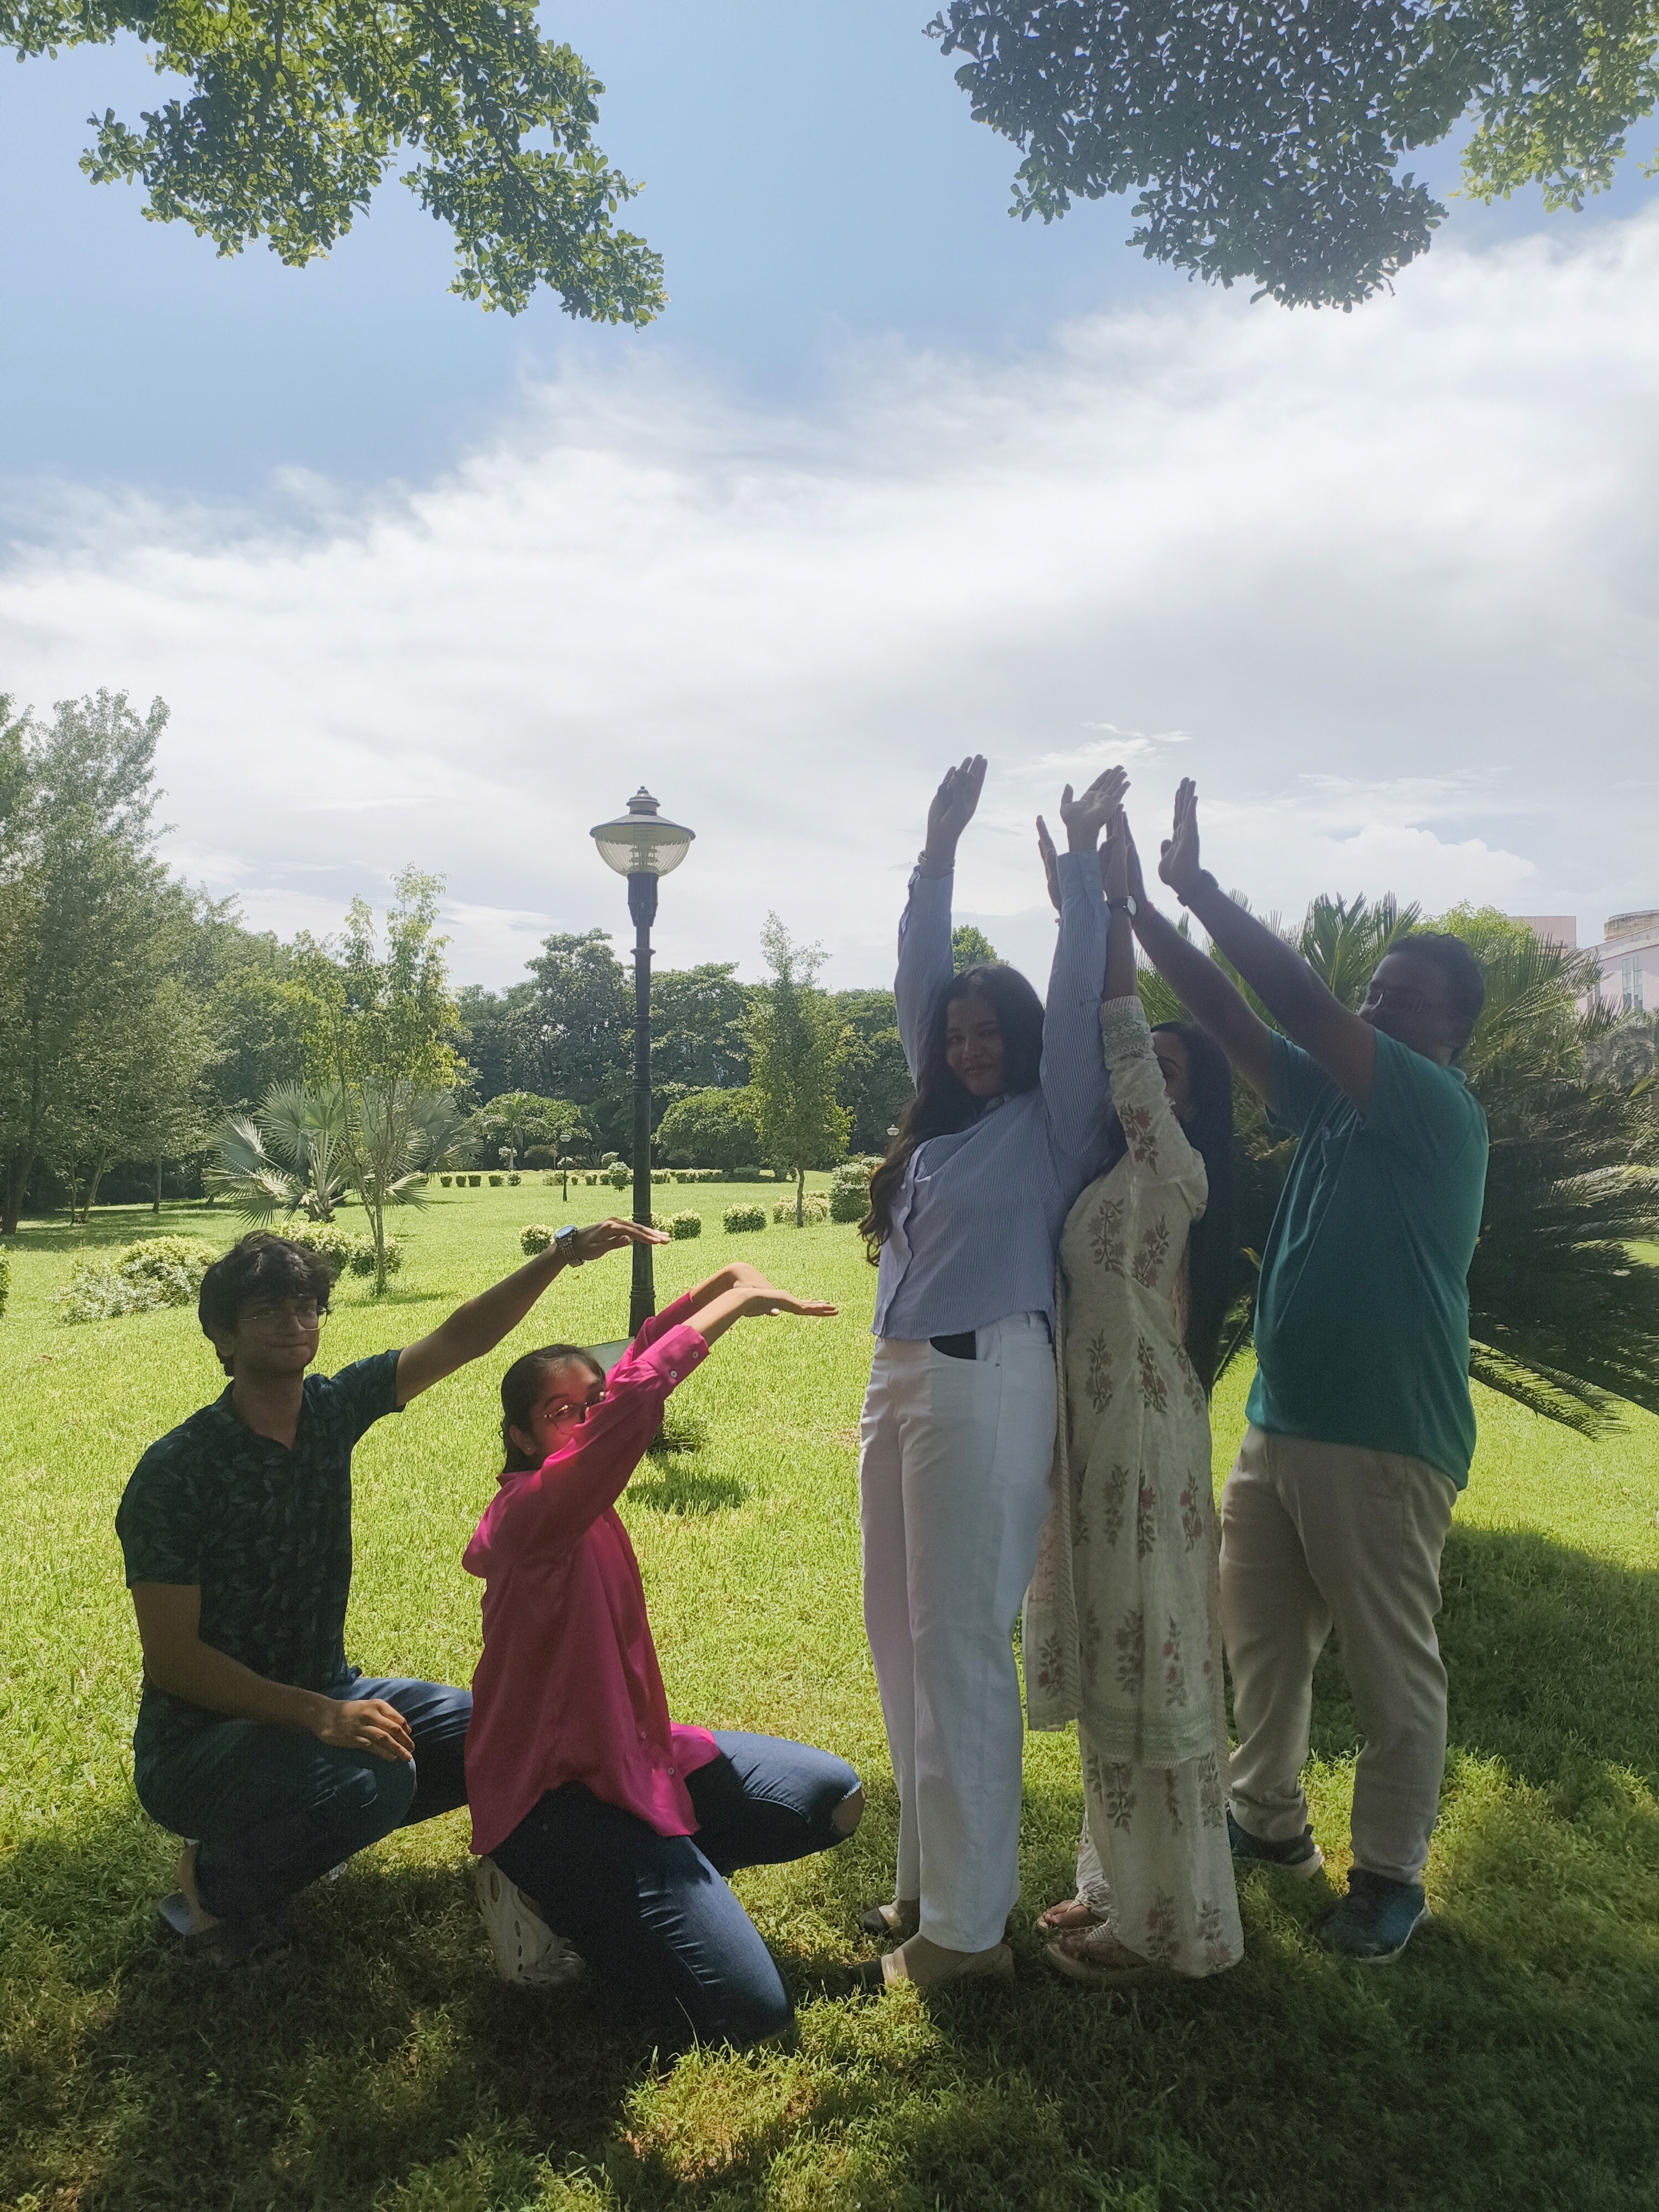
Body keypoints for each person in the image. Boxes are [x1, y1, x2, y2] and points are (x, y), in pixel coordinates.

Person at [1130, 779, 1489, 1962]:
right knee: (1263, 1640)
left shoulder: (1435, 1109)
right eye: (1375, 989)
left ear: (1449, 1033)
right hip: (1281, 1423)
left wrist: (1200, 887)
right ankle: (1266, 1822)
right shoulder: (1334, 1107)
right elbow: (1234, 1023)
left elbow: (1293, 996)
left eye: (1405, 999)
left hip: (1388, 1435)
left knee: (1393, 1666)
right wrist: (1141, 909)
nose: (1376, 1007)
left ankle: (1390, 1874)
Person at [116, 1217, 661, 1964]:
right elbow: (176, 1662)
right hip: (199, 1745)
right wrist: (321, 1715)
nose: (293, 1323)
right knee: (375, 1778)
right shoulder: (177, 1471)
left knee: (502, 1727)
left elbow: (461, 1337)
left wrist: (560, 1255)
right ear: (222, 1335)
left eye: (306, 1307)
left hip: (322, 1692)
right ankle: (212, 1886)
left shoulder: (331, 1412)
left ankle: (312, 1818)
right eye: (268, 1311)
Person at [855, 754, 1117, 1990]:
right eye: (955, 1032)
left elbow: (1074, 1014)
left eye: (985, 1030)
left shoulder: (1055, 1116)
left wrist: (1078, 879)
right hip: (900, 1377)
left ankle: (967, 1933)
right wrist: (934, 851)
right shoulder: (940, 1122)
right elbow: (917, 978)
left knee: (958, 1637)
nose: (966, 1044)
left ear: (1018, 1041)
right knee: (899, 1637)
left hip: (988, 1376)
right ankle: (926, 1879)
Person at [463, 1262, 863, 2048]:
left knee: (833, 1797)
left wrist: (717, 1286)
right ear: (520, 1436)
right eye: (558, 1414)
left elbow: (633, 1368)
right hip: (552, 1804)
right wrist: (740, 1307)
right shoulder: (535, 1514)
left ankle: (658, 1888)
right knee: (751, 2019)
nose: (583, 1421)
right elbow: (633, 1402)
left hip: (633, 1760)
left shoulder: (579, 1489)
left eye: (588, 1405)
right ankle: (553, 1897)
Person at [1024, 799, 1244, 1985]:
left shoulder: (1180, 1168)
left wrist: (1111, 906)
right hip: (1095, 1438)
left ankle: (1172, 1926)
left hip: (1147, 1439)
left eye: (1165, 1071)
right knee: (1114, 1649)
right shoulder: (1109, 1173)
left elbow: (1113, 1030)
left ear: (1185, 1100)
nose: (1141, 1079)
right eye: (1142, 1070)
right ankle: (1115, 1882)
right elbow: (1086, 1042)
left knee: (1148, 1651)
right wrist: (1077, 909)